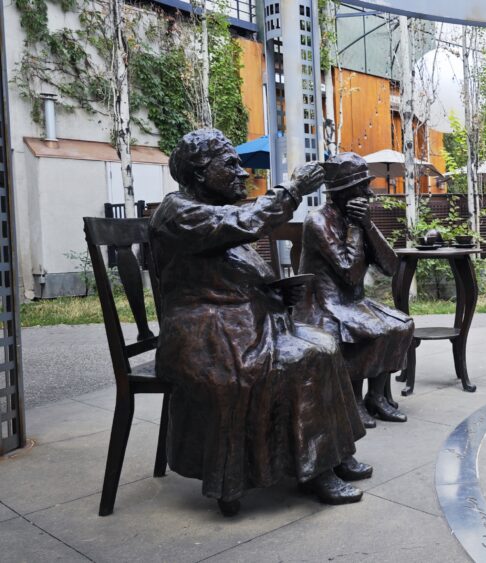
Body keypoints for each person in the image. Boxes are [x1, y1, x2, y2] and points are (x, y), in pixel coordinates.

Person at [150, 129, 370, 516]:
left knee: (324, 342)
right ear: (201, 172)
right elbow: (248, 221)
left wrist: (273, 293)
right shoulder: (179, 212)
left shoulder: (208, 208)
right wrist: (292, 190)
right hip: (202, 331)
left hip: (235, 318)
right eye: (230, 164)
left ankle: (332, 453)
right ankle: (315, 468)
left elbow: (229, 267)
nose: (242, 173)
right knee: (307, 357)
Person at [294, 152, 414, 427]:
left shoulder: (358, 219)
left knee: (401, 325)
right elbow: (349, 273)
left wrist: (368, 226)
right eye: (361, 187)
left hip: (352, 302)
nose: (368, 193)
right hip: (323, 305)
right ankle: (352, 401)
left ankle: (376, 397)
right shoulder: (318, 221)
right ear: (343, 191)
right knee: (369, 331)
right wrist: (357, 230)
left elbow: (391, 267)